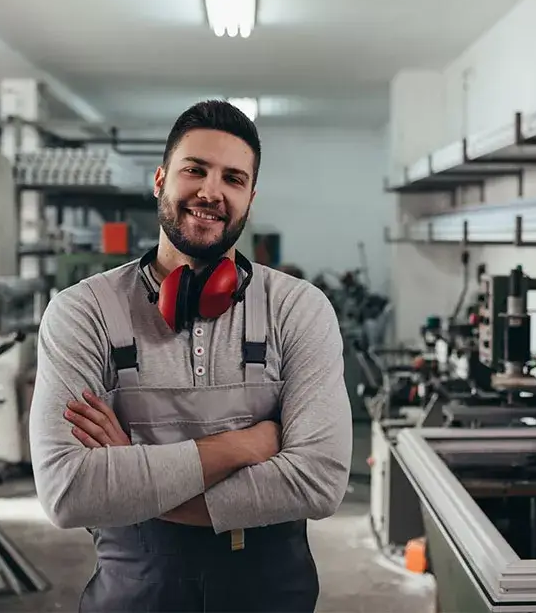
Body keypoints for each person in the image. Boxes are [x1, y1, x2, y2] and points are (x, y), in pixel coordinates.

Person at [29, 100, 353, 613]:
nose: (211, 191)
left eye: (233, 178)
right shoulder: (82, 312)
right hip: (133, 589)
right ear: (160, 180)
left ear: (249, 198)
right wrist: (245, 445)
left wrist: (133, 477)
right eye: (194, 170)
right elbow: (69, 492)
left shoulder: (298, 308)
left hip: (270, 590)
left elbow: (319, 481)